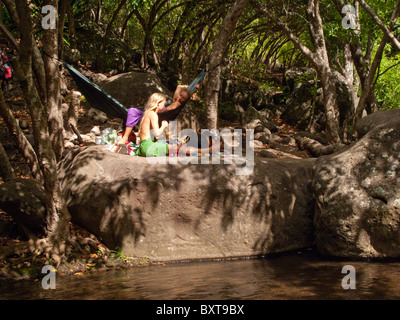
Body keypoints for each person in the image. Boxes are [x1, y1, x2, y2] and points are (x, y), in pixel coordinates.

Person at [136, 92, 219, 157]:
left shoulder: (147, 113)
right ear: (158, 103)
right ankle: (209, 150)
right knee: (181, 149)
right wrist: (163, 126)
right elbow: (157, 133)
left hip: (143, 146)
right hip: (149, 148)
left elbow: (142, 134)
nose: (164, 106)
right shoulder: (153, 114)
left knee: (173, 145)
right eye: (163, 104)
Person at [118, 85, 192, 145]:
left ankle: (125, 137)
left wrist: (160, 110)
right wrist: (179, 87)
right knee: (133, 111)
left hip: (160, 113)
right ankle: (133, 135)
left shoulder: (177, 104)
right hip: (158, 112)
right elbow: (175, 98)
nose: (180, 98)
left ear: (185, 100)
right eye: (180, 95)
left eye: (183, 98)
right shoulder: (177, 102)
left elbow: (167, 109)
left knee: (132, 111)